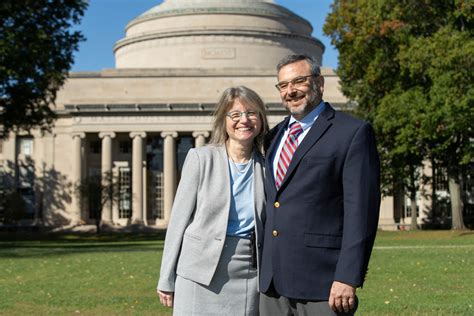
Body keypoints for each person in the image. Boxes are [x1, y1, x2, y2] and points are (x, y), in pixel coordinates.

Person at [259, 54, 381, 315]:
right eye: (283, 85)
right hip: (272, 284)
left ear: (320, 83)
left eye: (299, 81)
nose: (290, 91)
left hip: (324, 283)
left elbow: (362, 211)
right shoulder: (273, 136)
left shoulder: (351, 132)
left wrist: (348, 276)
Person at [157, 86, 269, 315]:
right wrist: (166, 278)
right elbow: (178, 221)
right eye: (235, 114)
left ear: (261, 120)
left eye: (252, 113)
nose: (244, 120)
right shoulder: (200, 158)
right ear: (223, 120)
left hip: (247, 272)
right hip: (198, 272)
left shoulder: (267, 166)